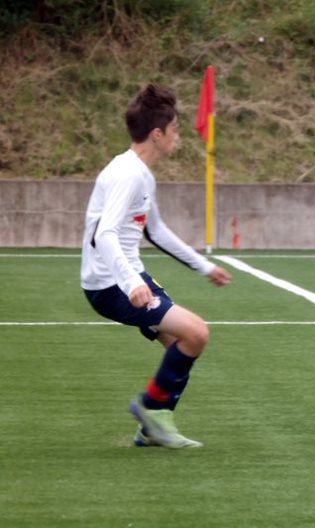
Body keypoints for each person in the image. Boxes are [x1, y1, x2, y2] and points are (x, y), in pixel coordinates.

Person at [81, 84, 232, 448]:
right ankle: (151, 410)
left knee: (180, 343)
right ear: (157, 133)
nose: (179, 136)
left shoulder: (140, 173)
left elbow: (156, 230)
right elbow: (105, 233)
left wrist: (203, 267)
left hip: (126, 277)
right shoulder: (128, 174)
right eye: (175, 129)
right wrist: (131, 283)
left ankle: (152, 428)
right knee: (196, 333)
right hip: (111, 285)